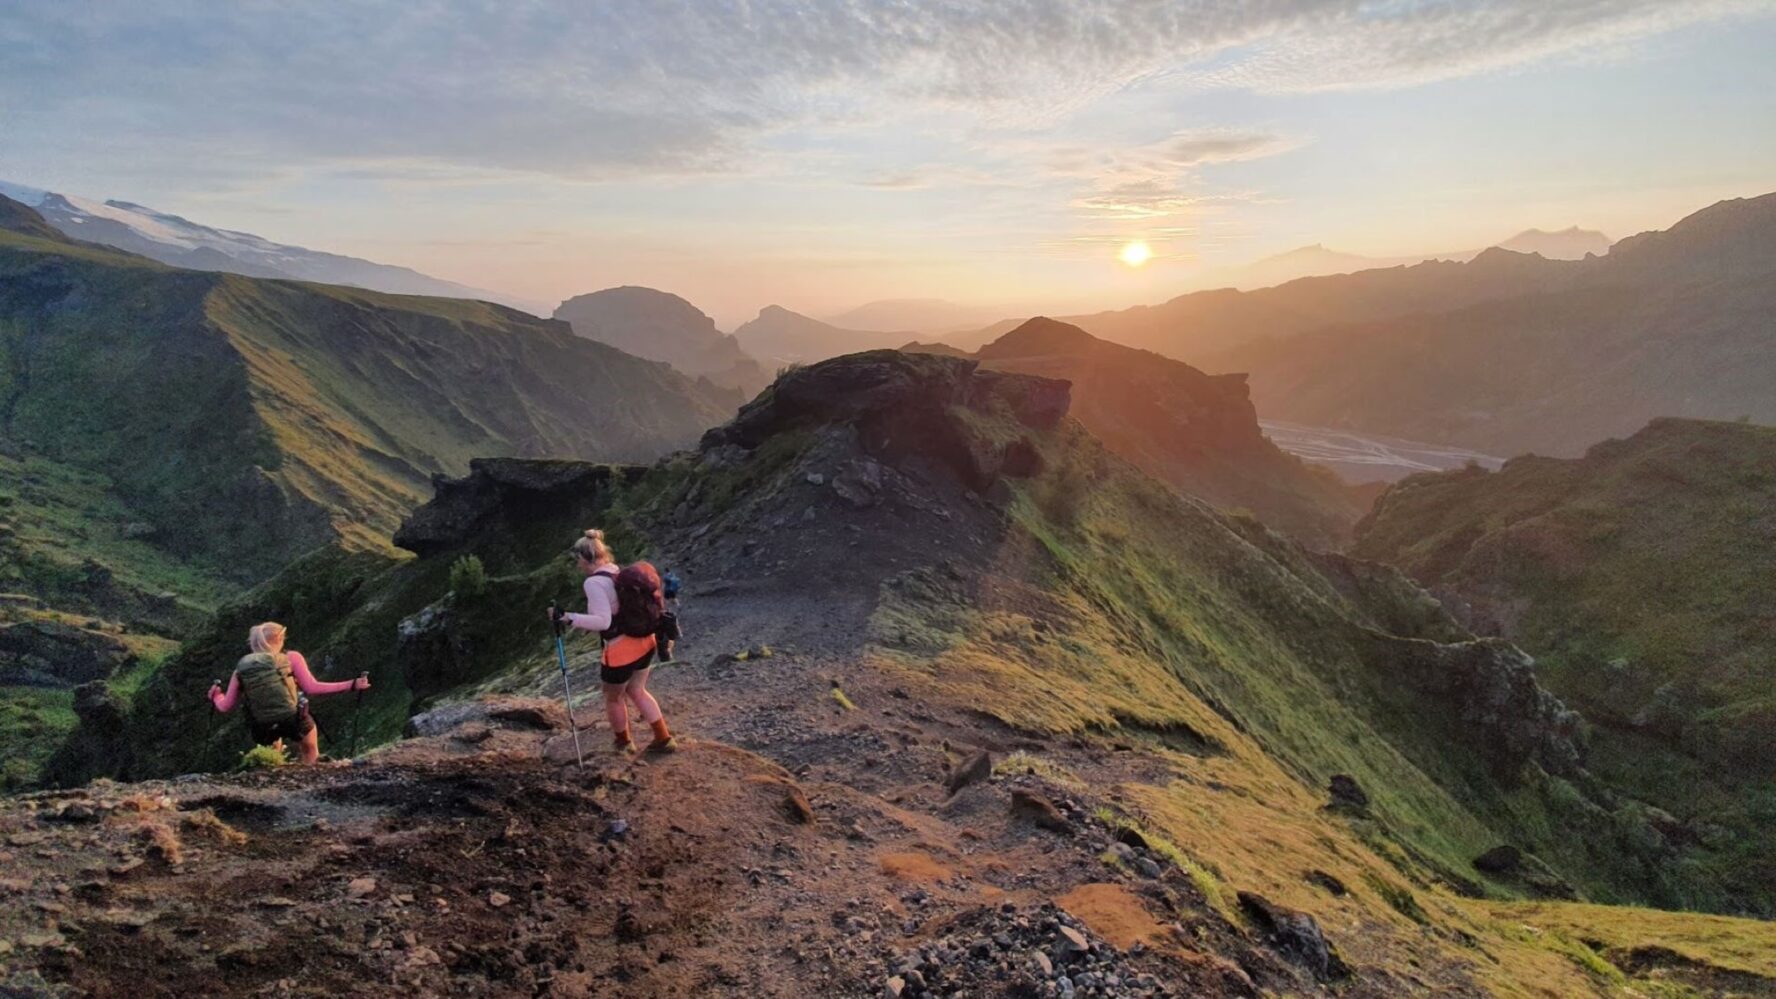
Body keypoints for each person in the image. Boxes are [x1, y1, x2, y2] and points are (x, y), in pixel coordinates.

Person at [553, 528, 676, 754]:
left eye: (578, 559)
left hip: (620, 651)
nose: (578, 564)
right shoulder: (615, 571)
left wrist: (567, 618)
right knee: (638, 690)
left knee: (613, 697)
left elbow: (602, 621)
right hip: (645, 641)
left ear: (585, 558)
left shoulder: (592, 583)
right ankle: (663, 738)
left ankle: (623, 743)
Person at [209, 622, 369, 764]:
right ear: (279, 639)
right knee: (310, 749)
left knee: (272, 754)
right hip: (293, 719)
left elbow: (225, 706)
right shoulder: (291, 657)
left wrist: (216, 695)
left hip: (261, 725)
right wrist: (352, 684)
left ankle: (273, 778)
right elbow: (312, 687)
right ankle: (311, 771)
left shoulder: (242, 669)